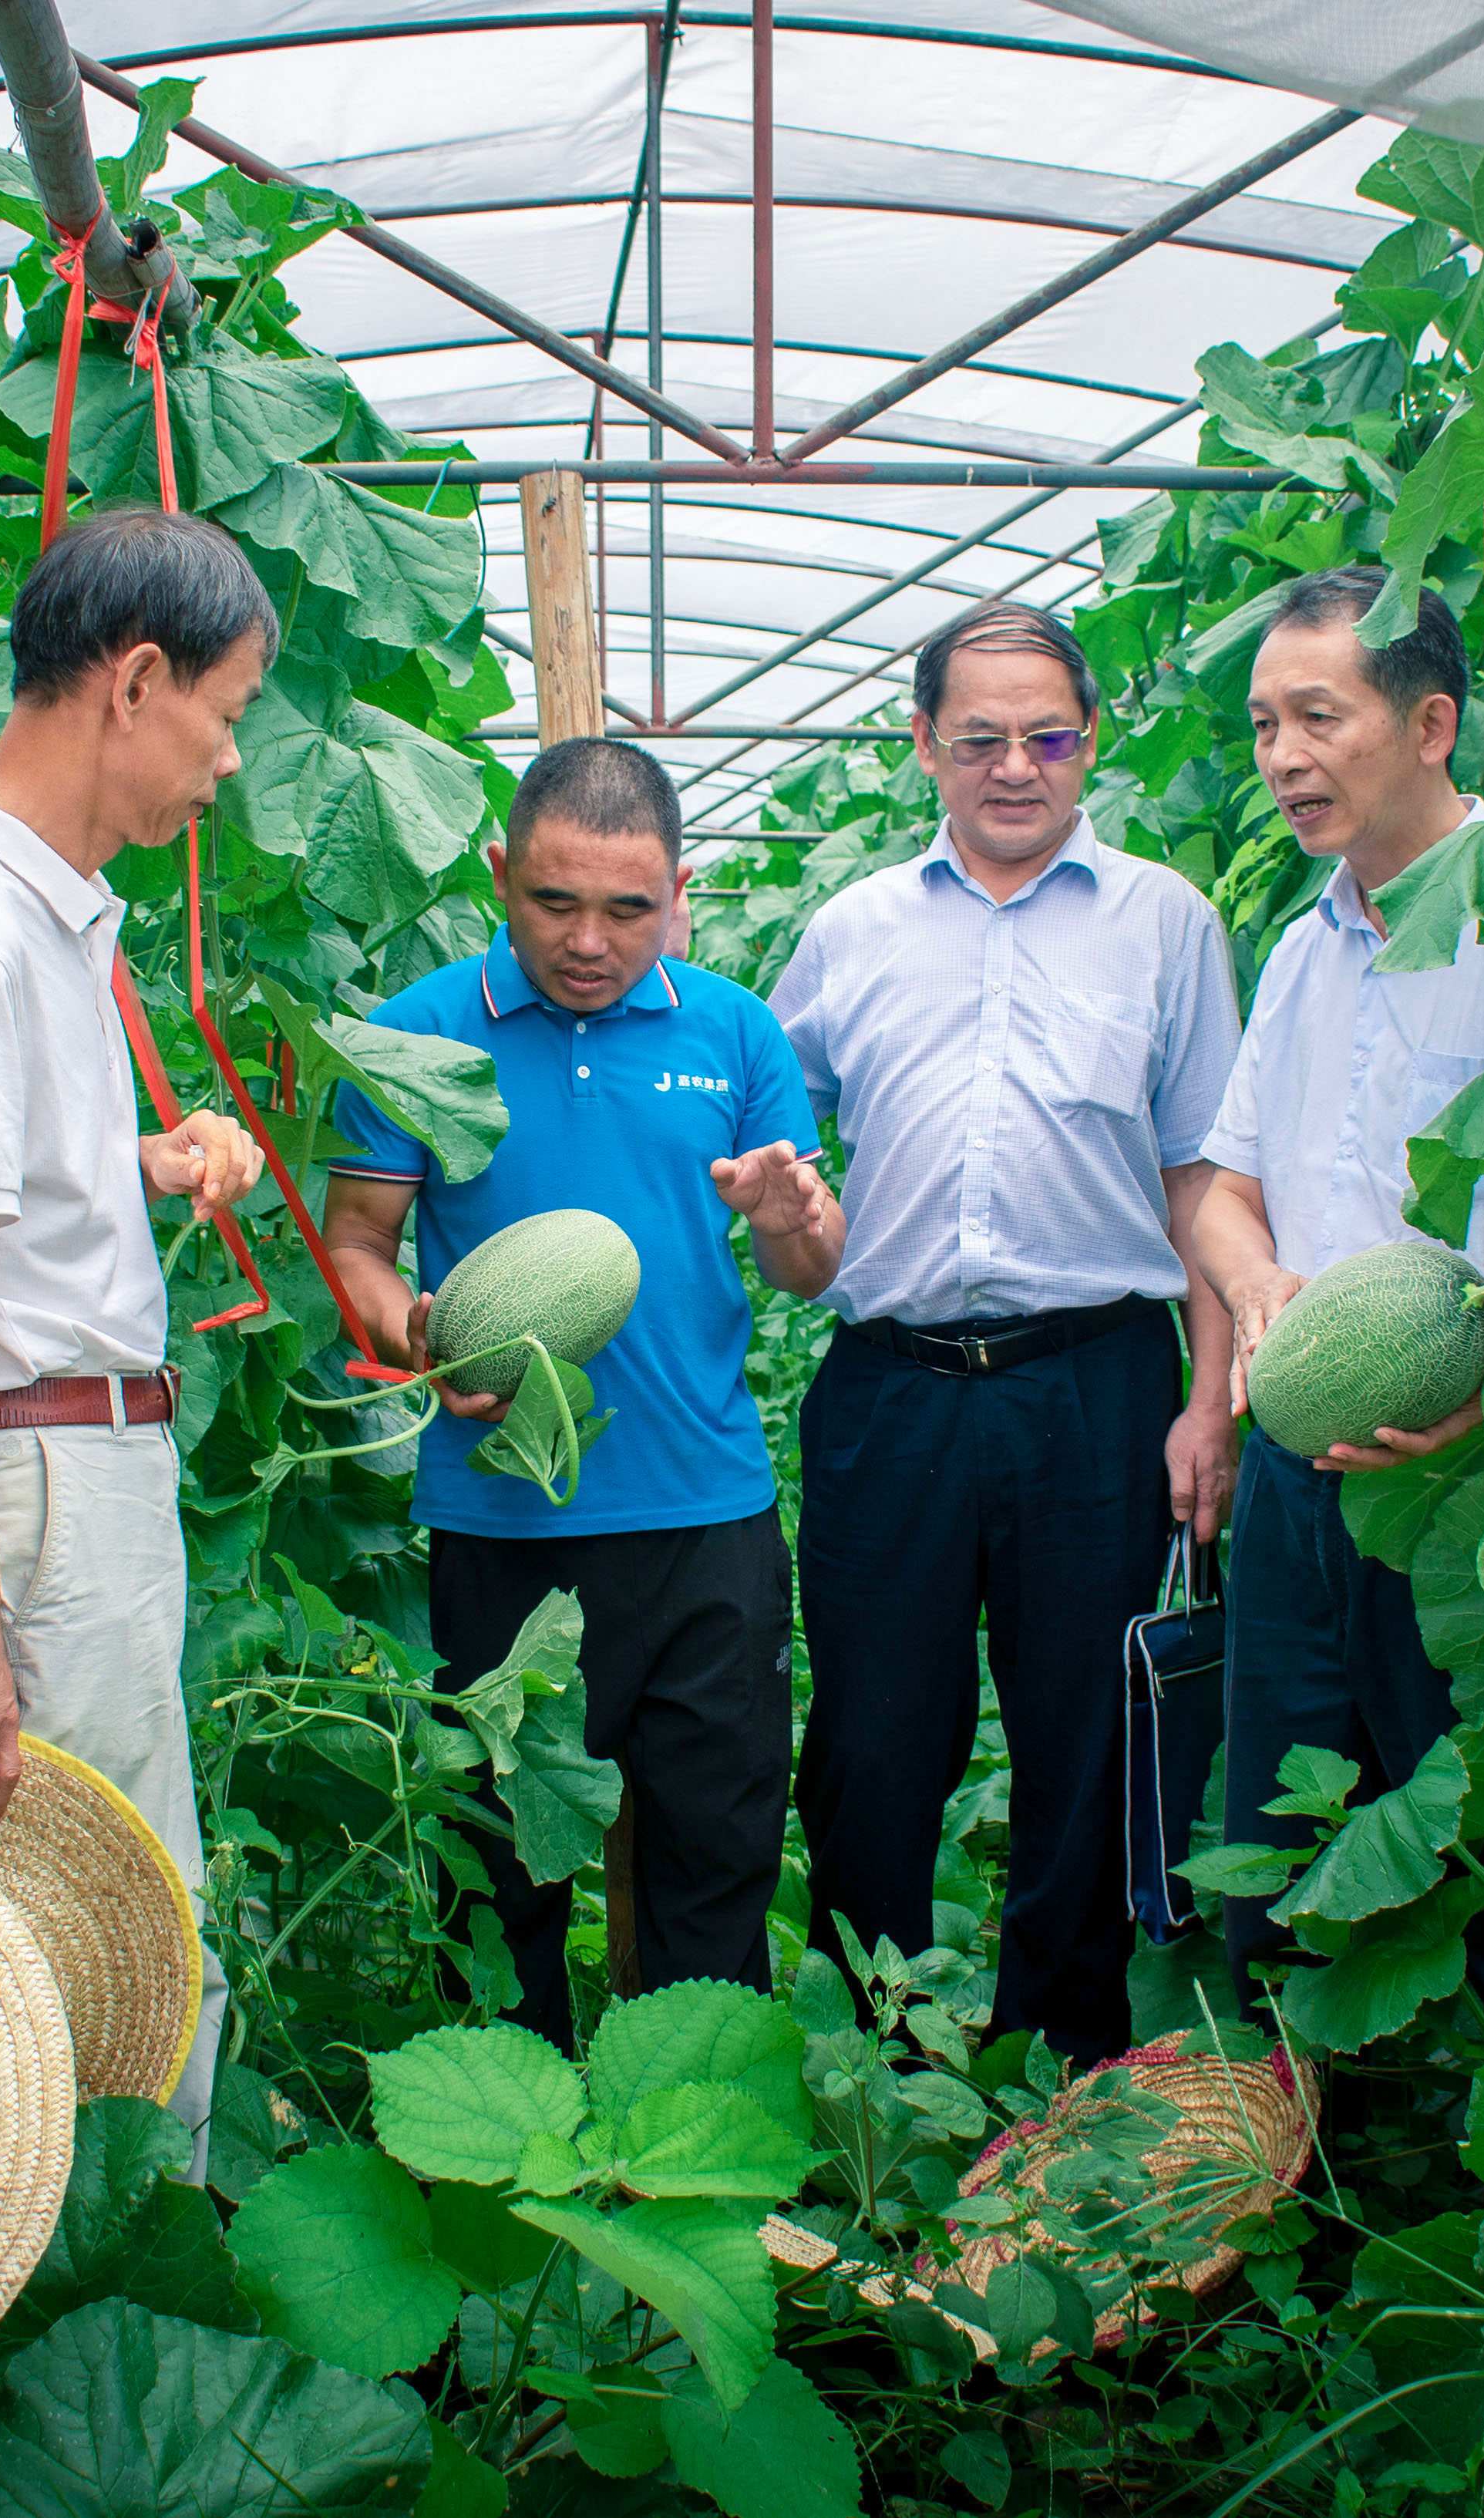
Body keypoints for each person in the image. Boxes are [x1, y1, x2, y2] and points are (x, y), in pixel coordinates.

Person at [0, 509, 270, 2146]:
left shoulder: (35, 918)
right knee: (95, 1956)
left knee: (111, 1938)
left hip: (62, 1476)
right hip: (28, 1496)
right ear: (136, 683)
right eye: (222, 716)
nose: (220, 766)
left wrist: (131, 1170)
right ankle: (96, 2327)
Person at [769, 601, 1241, 2062]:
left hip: (1096, 1382)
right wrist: (782, 1207)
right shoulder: (848, 931)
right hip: (891, 1389)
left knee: (1087, 1744)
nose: (1015, 767)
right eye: (980, 739)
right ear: (923, 745)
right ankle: (877, 2079)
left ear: (1089, 741)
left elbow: (1208, 1176)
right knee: (866, 1747)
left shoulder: (1165, 921)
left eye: (1046, 737)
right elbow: (778, 1160)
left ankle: (1067, 2076)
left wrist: (1209, 1398)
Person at [321, 738, 845, 2050]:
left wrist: (791, 1216)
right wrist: (420, 1332)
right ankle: (506, 2209)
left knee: (712, 1871)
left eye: (628, 907)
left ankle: (693, 2175)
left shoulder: (736, 1030)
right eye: (555, 902)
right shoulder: (416, 1032)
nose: (591, 941)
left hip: (702, 1520)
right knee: (496, 1888)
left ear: (681, 888)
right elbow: (353, 1245)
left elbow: (805, 1266)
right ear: (499, 875)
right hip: (503, 1525)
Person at [1190, 564, 1484, 2034]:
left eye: (1316, 717)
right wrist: (1260, 1286)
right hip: (1291, 1474)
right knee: (1287, 1852)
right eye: (1264, 724)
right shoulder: (1301, 946)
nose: (1280, 757)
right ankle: (1300, 2187)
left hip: (1478, 1489)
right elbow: (1215, 1183)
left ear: (1432, 722)